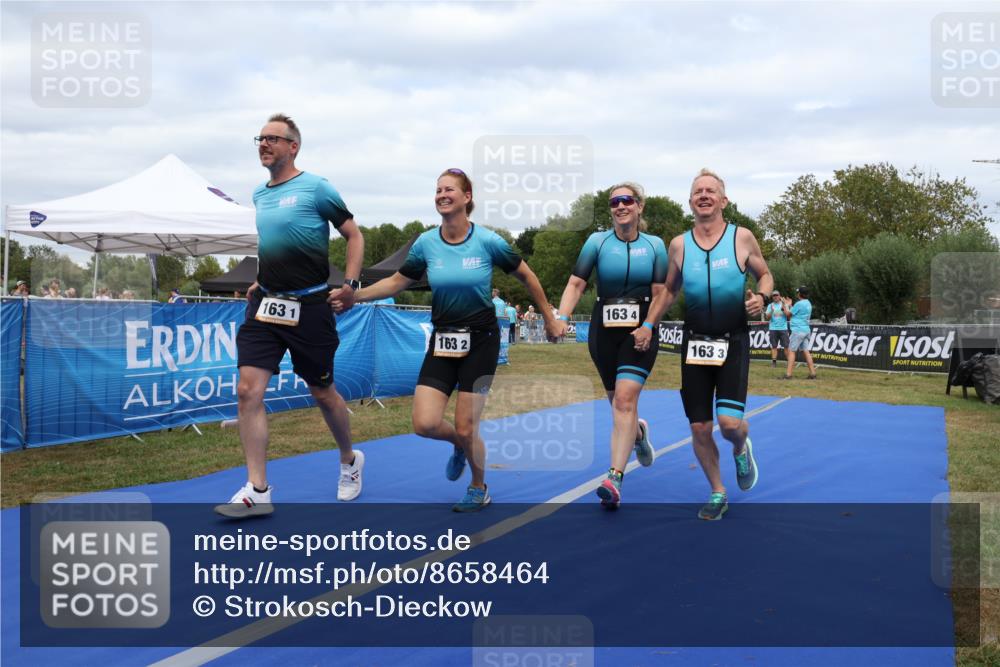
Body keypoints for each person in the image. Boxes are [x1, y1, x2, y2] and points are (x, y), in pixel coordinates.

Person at [340, 168, 559, 512]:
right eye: (438, 190)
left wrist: (549, 317)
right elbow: (398, 281)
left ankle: (478, 487)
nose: (441, 195)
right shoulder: (426, 243)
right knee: (424, 424)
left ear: (467, 197)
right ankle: (460, 443)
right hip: (443, 340)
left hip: (481, 341)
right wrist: (356, 296)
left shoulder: (488, 241)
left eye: (449, 189)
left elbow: (527, 276)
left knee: (467, 426)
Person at [215, 113, 365, 519]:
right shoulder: (259, 194)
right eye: (260, 139)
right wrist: (261, 279)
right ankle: (258, 489)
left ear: (293, 146)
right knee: (248, 391)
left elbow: (354, 235)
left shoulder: (316, 188)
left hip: (311, 307)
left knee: (323, 393)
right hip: (265, 304)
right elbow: (275, 243)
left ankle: (349, 459)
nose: (264, 144)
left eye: (273, 139)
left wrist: (350, 285)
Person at [652, 168, 773, 521]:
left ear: (723, 200)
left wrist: (762, 297)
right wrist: (647, 324)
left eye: (710, 191)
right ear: (690, 202)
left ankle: (741, 447)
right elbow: (669, 290)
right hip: (694, 344)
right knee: (699, 427)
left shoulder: (742, 237)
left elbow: (765, 274)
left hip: (733, 341)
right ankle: (718, 491)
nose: (704, 195)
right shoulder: (679, 245)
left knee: (730, 424)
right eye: (698, 191)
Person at [553, 182, 668, 508]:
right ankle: (638, 435)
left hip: (640, 332)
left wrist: (649, 326)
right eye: (614, 202)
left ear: (639, 206)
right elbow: (576, 283)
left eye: (627, 200)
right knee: (617, 403)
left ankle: (614, 478)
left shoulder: (655, 246)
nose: (620, 206)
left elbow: (660, 293)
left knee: (624, 401)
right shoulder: (597, 242)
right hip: (603, 333)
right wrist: (562, 317)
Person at [781, 286, 817, 380]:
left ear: (800, 294)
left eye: (798, 292)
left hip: (798, 330)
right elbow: (796, 313)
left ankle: (788, 375)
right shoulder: (808, 303)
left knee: (791, 351)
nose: (797, 294)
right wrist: (789, 305)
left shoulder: (799, 304)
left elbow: (788, 314)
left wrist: (785, 304)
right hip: (805, 330)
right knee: (806, 351)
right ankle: (813, 373)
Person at [764, 290, 789, 368]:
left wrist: (784, 307)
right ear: (772, 297)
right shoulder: (770, 305)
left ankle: (789, 362)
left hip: (783, 328)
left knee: (786, 346)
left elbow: (788, 315)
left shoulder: (784, 304)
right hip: (773, 328)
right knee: (774, 346)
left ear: (779, 296)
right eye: (774, 295)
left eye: (776, 295)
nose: (775, 297)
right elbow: (767, 318)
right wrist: (771, 310)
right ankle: (774, 362)